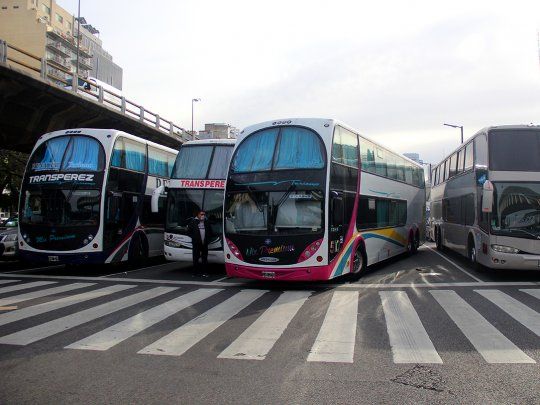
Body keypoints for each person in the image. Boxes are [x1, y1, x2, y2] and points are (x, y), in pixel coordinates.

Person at [188, 210, 213, 277]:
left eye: (204, 214)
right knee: (195, 258)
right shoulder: (193, 222)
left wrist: (208, 240)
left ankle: (205, 272)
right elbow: (189, 231)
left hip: (204, 243)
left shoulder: (207, 222)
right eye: (201, 214)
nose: (203, 216)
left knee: (204, 258)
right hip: (196, 243)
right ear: (198, 215)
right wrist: (194, 238)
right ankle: (195, 273)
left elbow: (210, 231)